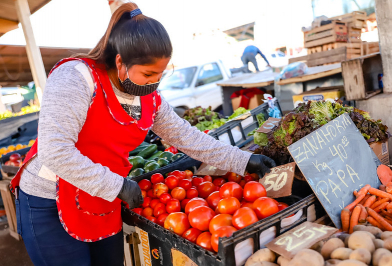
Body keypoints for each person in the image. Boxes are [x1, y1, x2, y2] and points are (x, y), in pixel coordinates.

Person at [10, 3, 276, 266]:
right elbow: (54, 150)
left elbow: (187, 137)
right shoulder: (75, 77)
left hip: (101, 196)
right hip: (50, 200)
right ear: (120, 62)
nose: (154, 83)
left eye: (160, 75)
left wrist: (242, 160)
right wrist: (117, 186)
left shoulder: (148, 96)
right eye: (148, 74)